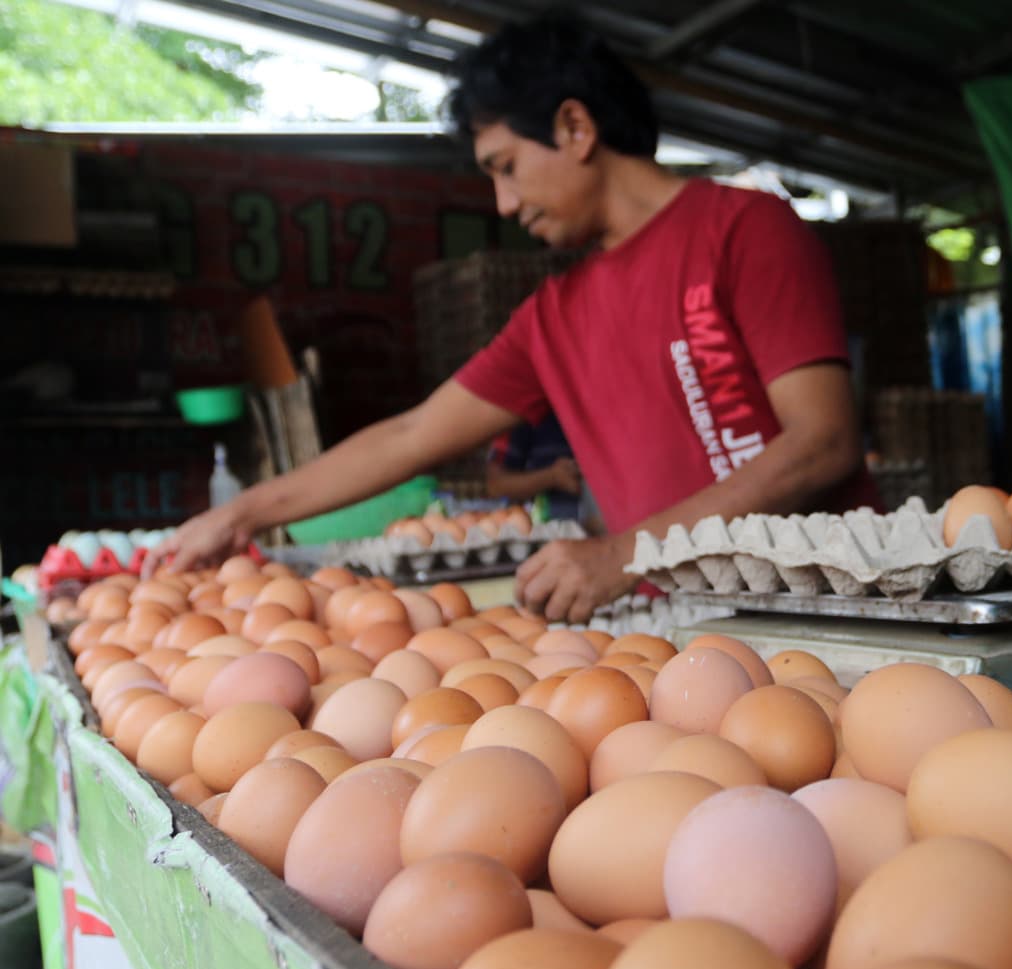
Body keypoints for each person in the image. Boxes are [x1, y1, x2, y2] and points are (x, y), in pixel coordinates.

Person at [149, 12, 877, 621]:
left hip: (827, 616)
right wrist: (243, 512)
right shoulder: (553, 316)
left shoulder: (746, 230)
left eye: (504, 166)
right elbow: (411, 435)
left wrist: (626, 552)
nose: (502, 203)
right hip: (690, 632)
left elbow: (824, 442)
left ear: (574, 127)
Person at [485, 416, 584, 521]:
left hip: (595, 520)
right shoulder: (523, 413)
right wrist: (553, 477)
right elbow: (496, 485)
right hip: (547, 522)